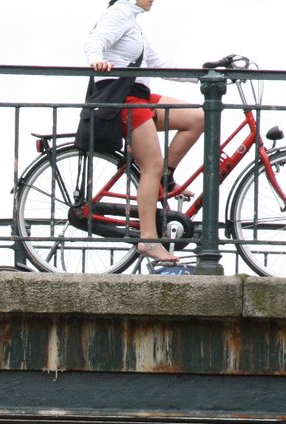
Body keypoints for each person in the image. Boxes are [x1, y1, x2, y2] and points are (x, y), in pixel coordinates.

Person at [84, 0, 205, 271]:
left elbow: (157, 62)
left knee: (197, 117)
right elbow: (96, 40)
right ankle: (149, 239)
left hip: (139, 96)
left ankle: (165, 177)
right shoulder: (119, 13)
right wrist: (96, 60)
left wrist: (201, 75)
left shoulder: (134, 24)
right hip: (123, 97)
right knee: (150, 164)